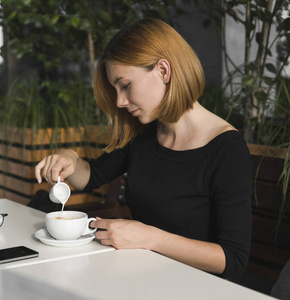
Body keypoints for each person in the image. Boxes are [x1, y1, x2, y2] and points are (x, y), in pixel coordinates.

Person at [34, 18, 252, 279]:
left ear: (163, 71)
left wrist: (150, 238)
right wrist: (70, 159)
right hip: (145, 277)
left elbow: (233, 259)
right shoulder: (145, 135)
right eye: (116, 90)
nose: (120, 101)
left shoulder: (226, 149)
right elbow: (90, 176)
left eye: (125, 85)